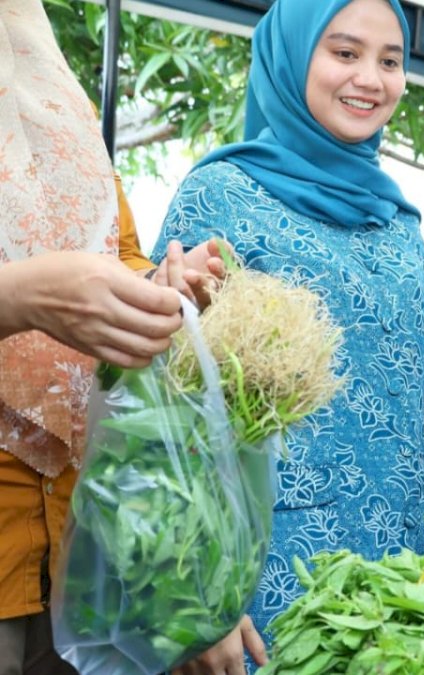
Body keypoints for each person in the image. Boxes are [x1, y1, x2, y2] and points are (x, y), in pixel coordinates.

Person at [151, 1, 424, 671]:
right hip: (274, 568)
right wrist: (194, 596)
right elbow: (162, 403)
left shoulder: (396, 221)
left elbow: (412, 368)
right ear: (293, 56)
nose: (371, 79)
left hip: (403, 566)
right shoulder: (222, 194)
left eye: (390, 61)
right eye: (345, 53)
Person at [0, 3, 230, 674]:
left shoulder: (49, 87)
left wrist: (158, 284)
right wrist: (21, 296)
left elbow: (111, 247)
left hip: (73, 542)